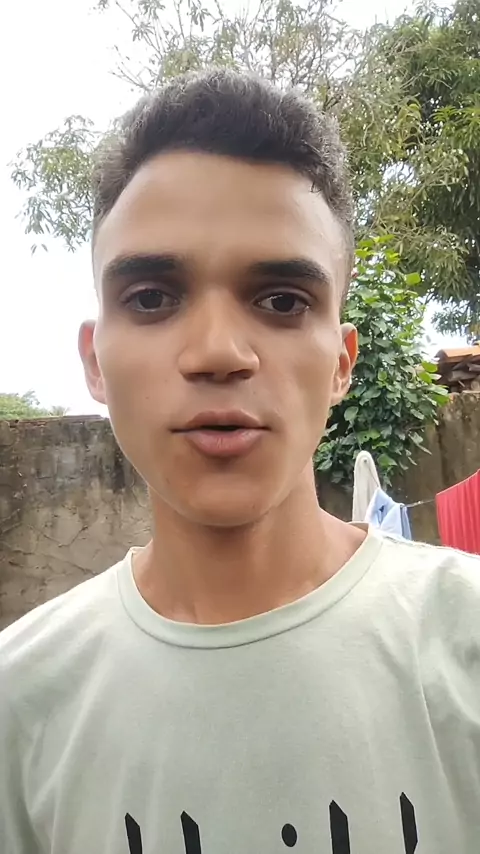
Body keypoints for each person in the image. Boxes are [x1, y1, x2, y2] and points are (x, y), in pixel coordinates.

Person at [0, 69, 479, 854]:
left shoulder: (466, 639)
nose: (218, 352)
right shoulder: (20, 701)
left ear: (341, 363)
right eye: (152, 298)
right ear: (95, 361)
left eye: (283, 300)